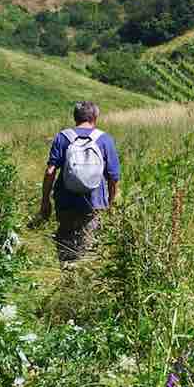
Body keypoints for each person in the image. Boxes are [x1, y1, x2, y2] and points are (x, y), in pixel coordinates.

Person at [35, 100, 121, 264]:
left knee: (66, 240)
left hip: (65, 201)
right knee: (88, 244)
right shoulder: (104, 139)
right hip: (94, 202)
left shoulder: (63, 137)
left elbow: (50, 171)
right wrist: (110, 202)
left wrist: (45, 200)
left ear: (75, 117)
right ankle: (81, 279)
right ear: (95, 117)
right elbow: (113, 177)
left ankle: (66, 274)